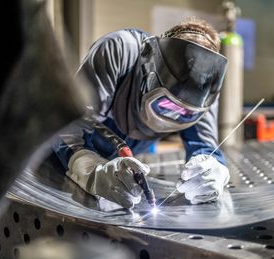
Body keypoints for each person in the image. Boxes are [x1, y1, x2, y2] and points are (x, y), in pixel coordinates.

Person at [53, 18, 231, 209]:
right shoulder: (120, 50)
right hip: (59, 160)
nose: (174, 114)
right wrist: (88, 168)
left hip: (119, 168)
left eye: (185, 112)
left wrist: (213, 170)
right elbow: (67, 126)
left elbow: (204, 147)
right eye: (166, 103)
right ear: (150, 68)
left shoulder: (205, 92)